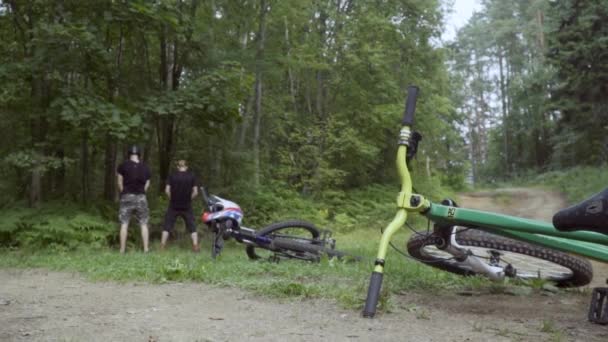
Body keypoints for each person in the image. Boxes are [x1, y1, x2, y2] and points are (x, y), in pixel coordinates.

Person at [117, 145, 151, 253]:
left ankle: (122, 250)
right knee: (144, 223)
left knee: (124, 223)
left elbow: (119, 182)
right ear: (139, 155)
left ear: (129, 154)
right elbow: (147, 184)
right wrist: (142, 192)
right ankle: (146, 249)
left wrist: (124, 192)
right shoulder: (145, 167)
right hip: (141, 197)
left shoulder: (122, 166)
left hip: (126, 196)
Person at [161, 159, 200, 252]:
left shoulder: (172, 176)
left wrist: (172, 199)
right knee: (192, 226)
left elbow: (167, 190)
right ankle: (195, 246)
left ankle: (162, 247)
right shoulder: (191, 176)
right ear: (186, 167)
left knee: (167, 225)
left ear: (178, 167)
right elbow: (195, 192)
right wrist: (189, 199)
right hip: (187, 205)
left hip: (173, 205)